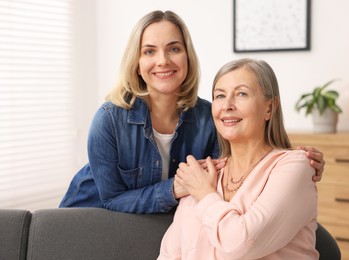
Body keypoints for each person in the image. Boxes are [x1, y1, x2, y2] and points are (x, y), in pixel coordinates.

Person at [59, 10, 324, 214]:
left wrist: (292, 162)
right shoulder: (109, 118)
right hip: (87, 224)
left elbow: (238, 171)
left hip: (155, 228)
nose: (163, 60)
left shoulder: (210, 119)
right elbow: (111, 201)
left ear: (187, 57)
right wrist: (175, 188)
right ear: (137, 64)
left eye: (174, 48)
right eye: (149, 51)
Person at [158, 58, 319, 259]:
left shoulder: (295, 167)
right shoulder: (204, 174)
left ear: (270, 107)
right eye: (219, 95)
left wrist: (204, 193)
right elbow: (170, 254)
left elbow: (240, 243)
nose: (227, 105)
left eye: (241, 94)